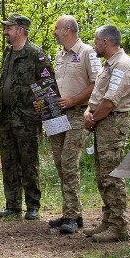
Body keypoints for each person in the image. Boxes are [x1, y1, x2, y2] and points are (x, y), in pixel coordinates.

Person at [81, 25, 130, 242]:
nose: (94, 45)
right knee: (101, 175)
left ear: (105, 42)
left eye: (96, 41)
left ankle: (119, 226)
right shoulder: (108, 66)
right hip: (102, 123)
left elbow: (110, 101)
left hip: (112, 124)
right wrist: (88, 111)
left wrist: (92, 118)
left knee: (112, 176)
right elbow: (98, 95)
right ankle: (108, 220)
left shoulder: (123, 65)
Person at [0, 14, 55, 221]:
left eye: (9, 28)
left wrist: (42, 113)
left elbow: (48, 85)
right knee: (9, 161)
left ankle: (32, 205)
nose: (5, 32)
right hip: (7, 117)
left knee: (29, 162)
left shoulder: (35, 54)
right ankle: (12, 205)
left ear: (20, 30)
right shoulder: (8, 52)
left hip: (27, 118)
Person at [47, 15, 102, 234]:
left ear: (67, 30)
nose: (54, 32)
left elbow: (97, 83)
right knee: (60, 164)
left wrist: (74, 100)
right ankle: (72, 212)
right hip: (56, 115)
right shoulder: (59, 55)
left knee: (70, 162)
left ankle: (71, 215)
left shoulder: (88, 52)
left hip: (79, 114)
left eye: (57, 28)